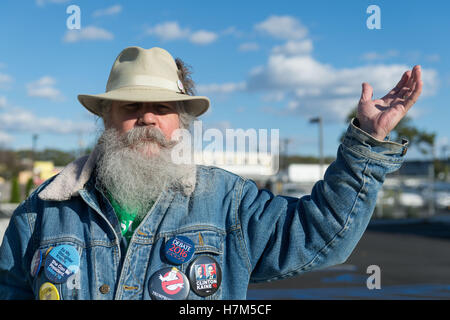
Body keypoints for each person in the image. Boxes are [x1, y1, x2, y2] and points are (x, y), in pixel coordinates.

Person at [0, 46, 422, 300]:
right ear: (105, 119)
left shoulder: (226, 202)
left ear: (180, 122)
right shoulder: (40, 212)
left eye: (162, 107)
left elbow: (321, 233)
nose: (147, 117)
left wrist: (367, 141)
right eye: (130, 106)